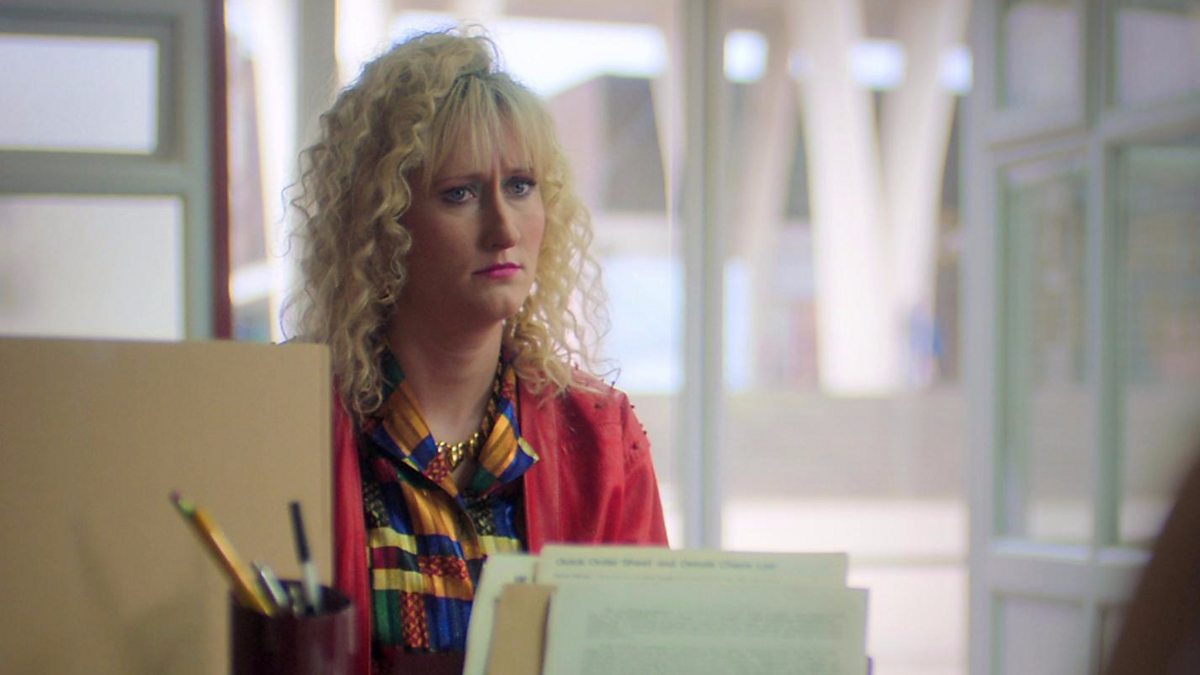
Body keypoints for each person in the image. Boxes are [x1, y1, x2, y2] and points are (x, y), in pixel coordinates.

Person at [286, 28, 668, 674]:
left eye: (520, 186)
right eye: (459, 193)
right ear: (384, 223)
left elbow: (650, 657)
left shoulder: (602, 441)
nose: (503, 228)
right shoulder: (290, 424)